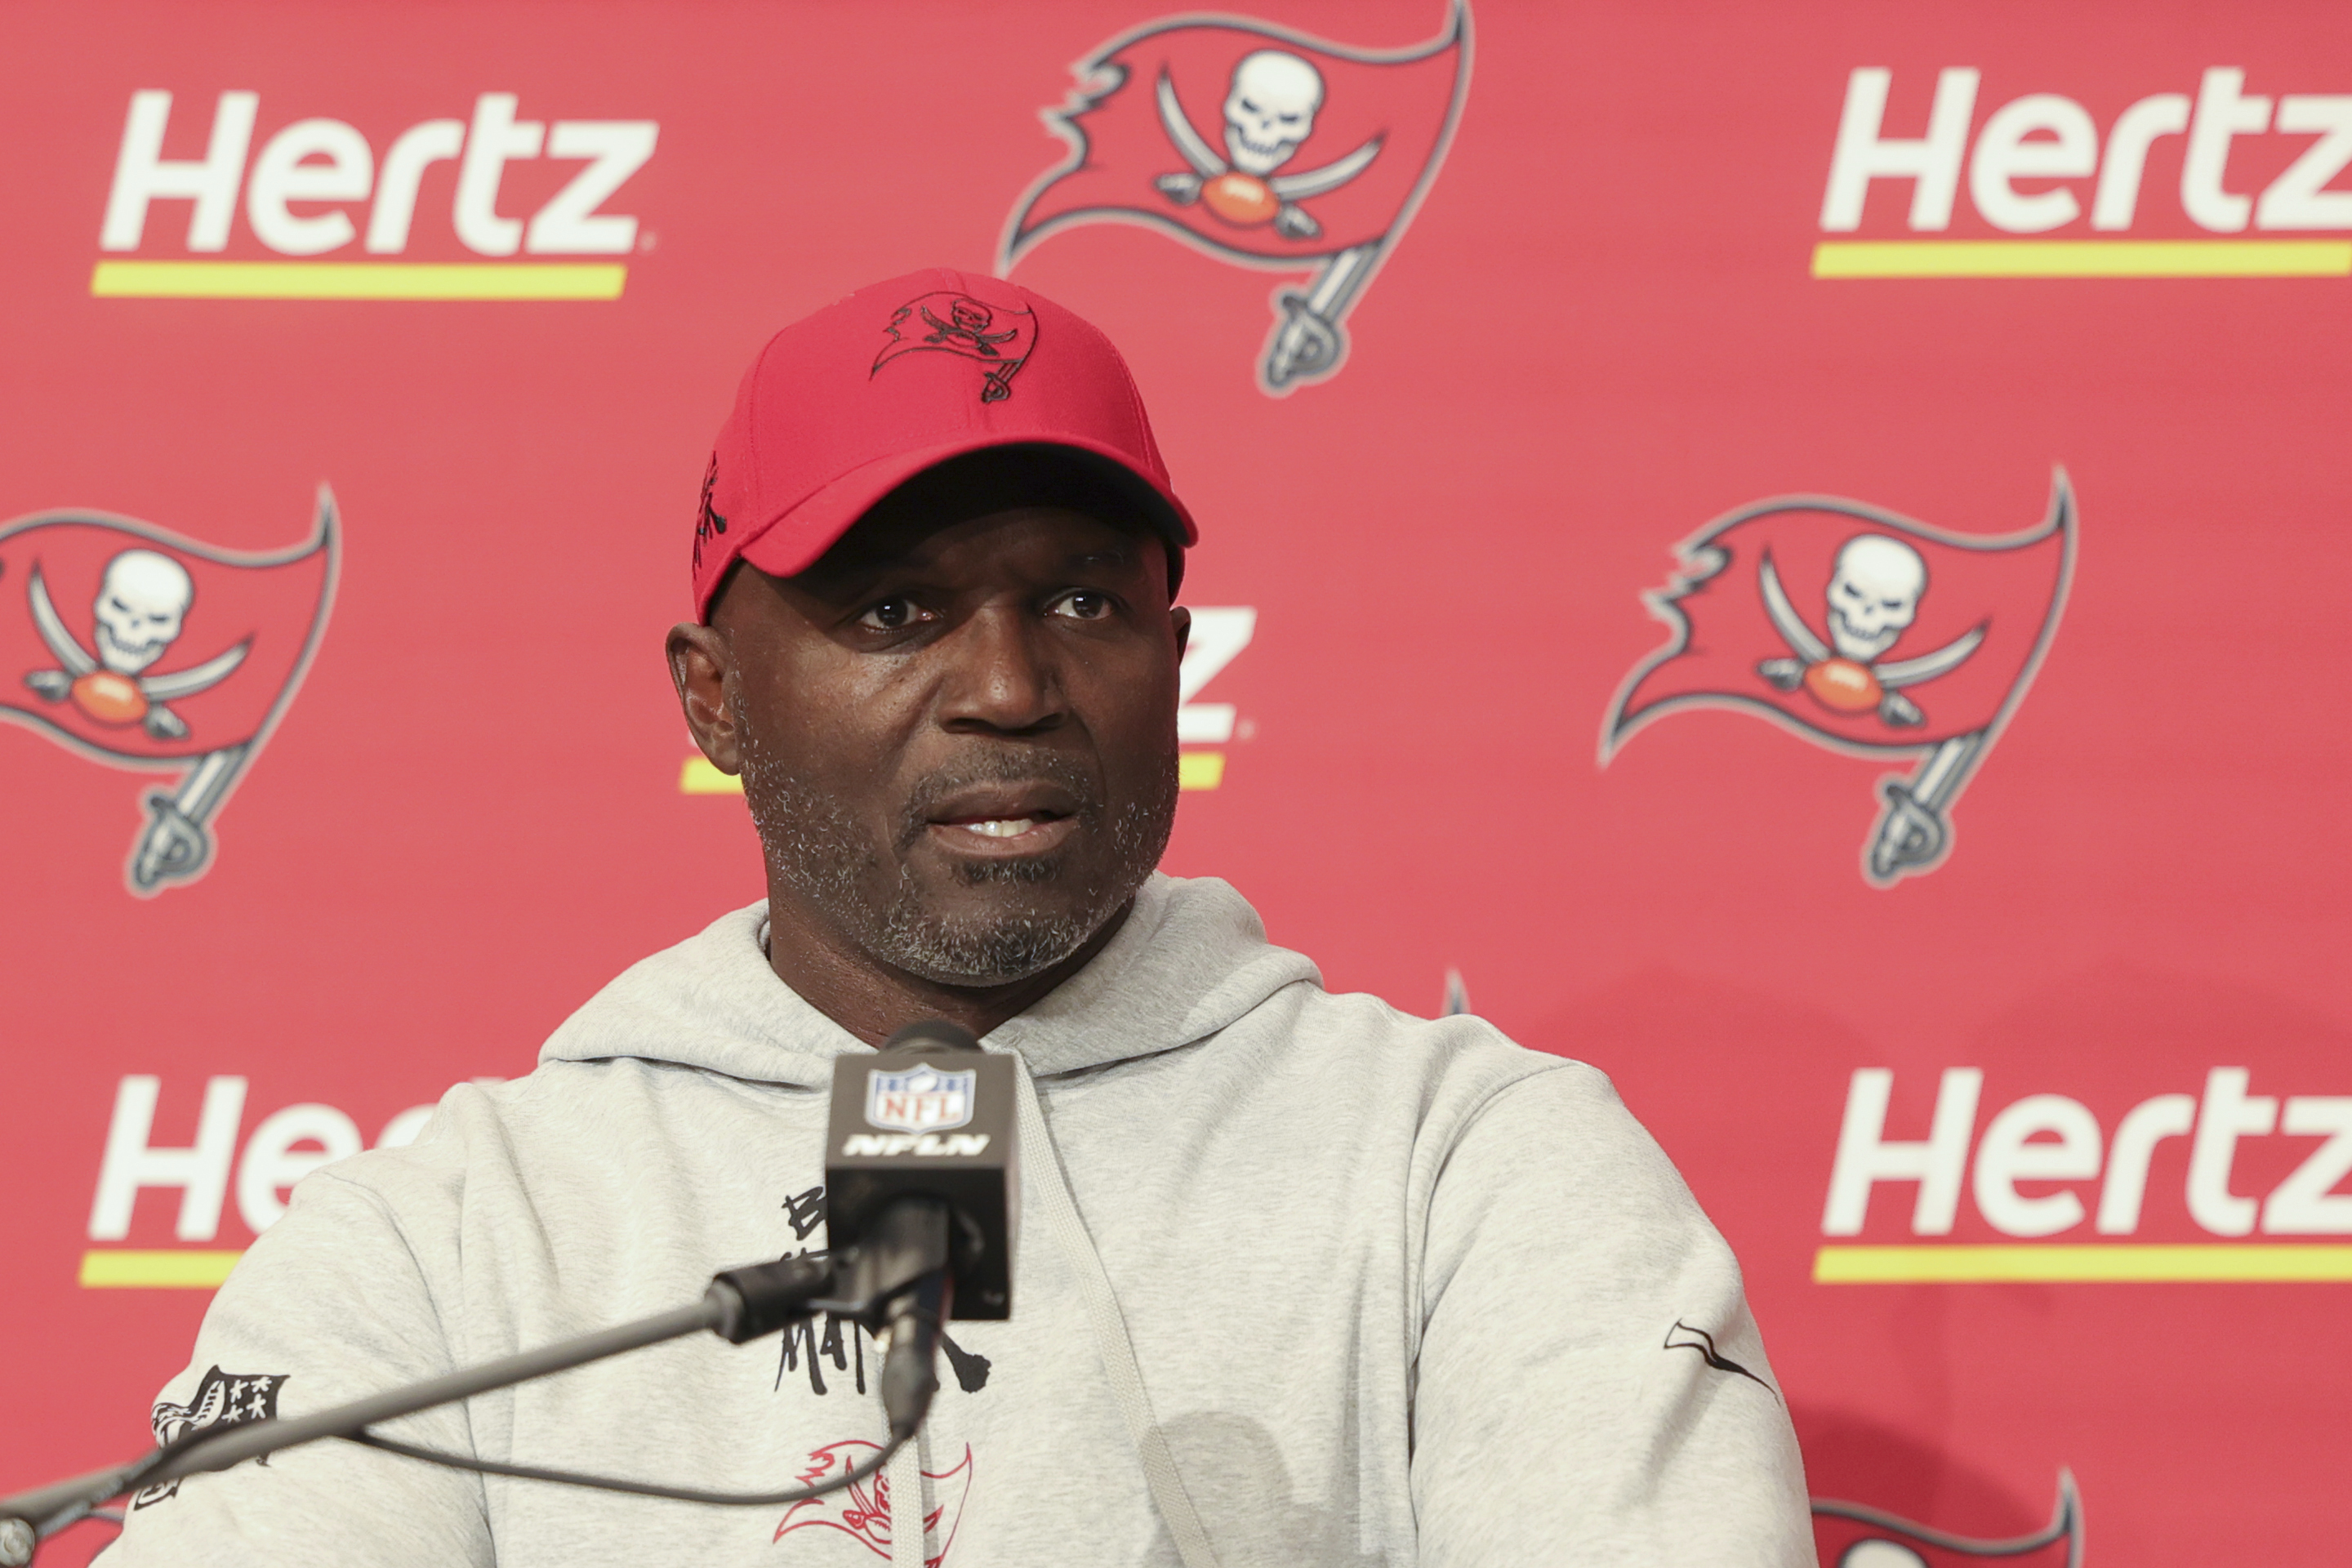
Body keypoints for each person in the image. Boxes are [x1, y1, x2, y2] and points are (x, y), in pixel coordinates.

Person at [105, 269, 1811, 1566]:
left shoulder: (1478, 1166)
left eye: (1081, 596)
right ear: (715, 699)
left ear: (1175, 651)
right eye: (896, 607)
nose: (1008, 686)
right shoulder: (449, 1242)